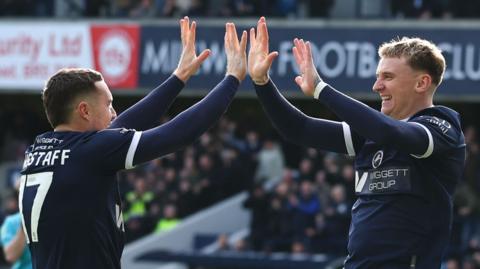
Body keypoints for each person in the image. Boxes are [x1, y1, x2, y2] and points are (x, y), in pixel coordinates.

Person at [18, 17, 247, 269]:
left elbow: (120, 127)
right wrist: (232, 79)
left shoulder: (40, 148)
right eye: (108, 104)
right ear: (83, 111)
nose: (114, 112)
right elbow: (180, 132)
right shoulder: (90, 152)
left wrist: (179, 77)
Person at [248, 17, 466, 268]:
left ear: (422, 83)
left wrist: (321, 89)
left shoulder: (442, 128)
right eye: (377, 76)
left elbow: (392, 133)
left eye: (388, 77)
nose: (377, 85)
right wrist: (262, 82)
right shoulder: (372, 133)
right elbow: (299, 128)